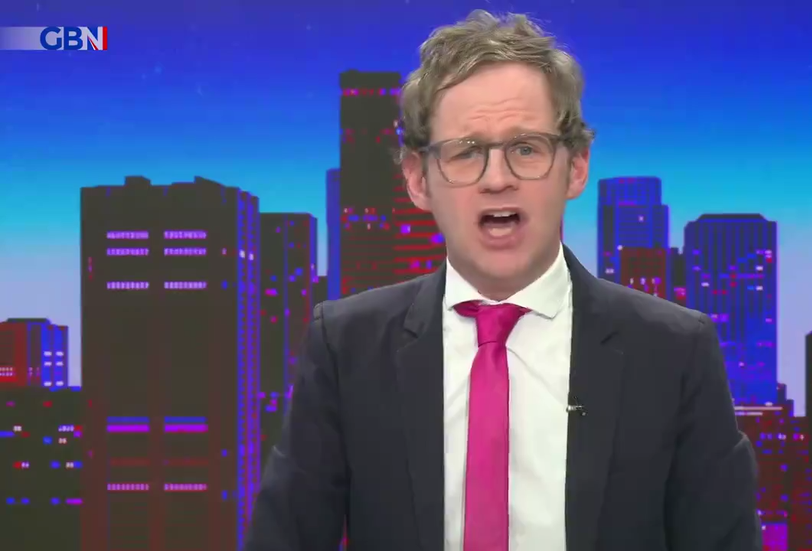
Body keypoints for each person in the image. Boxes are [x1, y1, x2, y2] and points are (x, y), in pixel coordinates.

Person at [245, 10, 761, 551]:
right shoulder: (347, 346)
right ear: (418, 180)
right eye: (466, 152)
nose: (497, 179)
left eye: (526, 148)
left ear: (576, 167)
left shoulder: (673, 350)